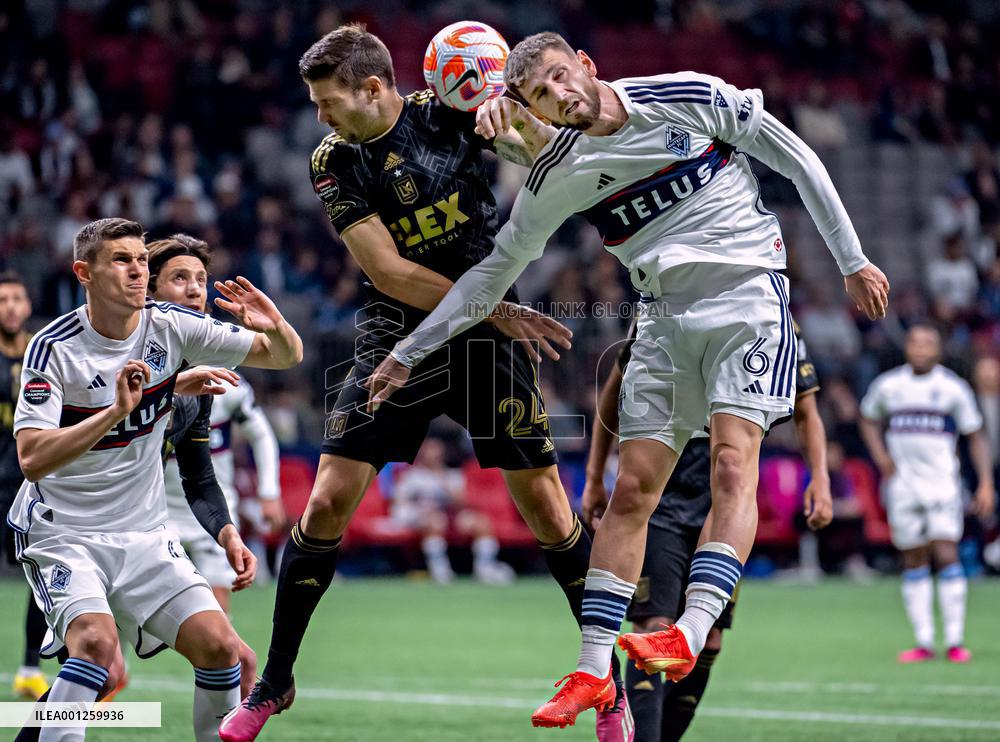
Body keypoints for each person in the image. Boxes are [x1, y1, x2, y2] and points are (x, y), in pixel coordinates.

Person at [364, 31, 890, 729]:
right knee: (631, 492)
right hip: (662, 318)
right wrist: (412, 349)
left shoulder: (687, 96)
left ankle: (689, 631)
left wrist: (851, 260)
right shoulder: (556, 173)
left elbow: (795, 157)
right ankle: (591, 671)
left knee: (733, 464)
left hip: (747, 297)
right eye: (540, 94)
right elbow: (490, 276)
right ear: (531, 108)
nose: (560, 96)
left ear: (585, 64)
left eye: (562, 76)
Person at [220, 26, 631, 742]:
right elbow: (387, 271)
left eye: (327, 101)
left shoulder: (448, 112)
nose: (320, 116)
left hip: (487, 337)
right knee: (327, 500)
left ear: (373, 88)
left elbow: (544, 154)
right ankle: (275, 681)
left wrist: (514, 119)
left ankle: (607, 684)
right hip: (402, 329)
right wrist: (496, 308)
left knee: (545, 506)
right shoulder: (334, 159)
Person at [10, 217, 301, 741]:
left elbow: (283, 356)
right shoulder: (53, 348)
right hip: (65, 530)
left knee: (222, 648)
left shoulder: (171, 327)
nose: (137, 271)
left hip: (145, 532)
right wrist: (115, 412)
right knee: (98, 652)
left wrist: (274, 324)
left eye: (142, 260)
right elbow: (31, 459)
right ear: (85, 273)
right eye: (121, 260)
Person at [582, 318, 831, 741]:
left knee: (709, 639)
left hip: (724, 501)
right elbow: (614, 387)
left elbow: (806, 410)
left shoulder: (777, 324)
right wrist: (594, 477)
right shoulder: (666, 307)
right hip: (662, 495)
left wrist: (819, 478)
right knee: (654, 627)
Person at [149, 234, 285, 612]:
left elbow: (261, 432)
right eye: (180, 278)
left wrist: (269, 490)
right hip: (149, 513)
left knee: (218, 627)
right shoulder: (134, 364)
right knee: (125, 632)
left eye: (201, 280)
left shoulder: (223, 378)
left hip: (209, 511)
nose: (194, 290)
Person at [859, 324, 994, 663]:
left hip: (942, 484)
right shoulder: (889, 386)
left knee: (946, 553)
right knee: (913, 558)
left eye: (927, 343)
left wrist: (986, 482)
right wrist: (881, 457)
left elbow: (975, 434)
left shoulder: (952, 388)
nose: (920, 349)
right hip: (903, 485)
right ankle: (924, 642)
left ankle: (954, 641)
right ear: (907, 347)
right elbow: (867, 418)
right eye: (915, 343)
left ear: (938, 349)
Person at [0, 272, 49, 700]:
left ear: (29, 305)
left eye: (17, 298)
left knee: (42, 576)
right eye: (3, 300)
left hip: (33, 485)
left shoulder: (43, 353)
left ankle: (30, 669)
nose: (11, 307)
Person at [391, 437, 514, 584]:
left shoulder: (453, 474)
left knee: (481, 523)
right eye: (429, 451)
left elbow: (462, 502)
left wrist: (442, 479)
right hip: (419, 515)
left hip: (449, 514)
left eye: (436, 452)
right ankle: (440, 571)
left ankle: (485, 568)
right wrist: (422, 510)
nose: (433, 455)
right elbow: (399, 502)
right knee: (435, 522)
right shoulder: (412, 476)